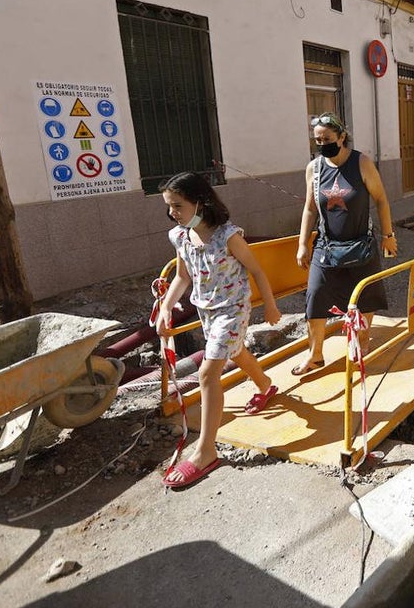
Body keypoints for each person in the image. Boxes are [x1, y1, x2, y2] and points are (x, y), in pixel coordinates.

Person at [156, 172, 282, 489]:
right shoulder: (181, 237)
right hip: (206, 309)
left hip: (233, 309)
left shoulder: (228, 236)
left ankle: (205, 450)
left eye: (178, 206)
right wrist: (167, 307)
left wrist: (269, 304)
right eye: (169, 206)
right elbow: (182, 277)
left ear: (201, 201)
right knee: (235, 352)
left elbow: (256, 270)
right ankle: (266, 385)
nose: (173, 212)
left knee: (208, 373)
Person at [295, 114, 397, 372]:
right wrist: (303, 244)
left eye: (327, 139)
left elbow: (381, 199)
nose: (322, 144)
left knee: (365, 297)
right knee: (315, 295)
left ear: (342, 137)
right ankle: (315, 354)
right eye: (317, 140)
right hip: (326, 246)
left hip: (361, 243)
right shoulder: (314, 169)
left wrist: (388, 235)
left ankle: (362, 343)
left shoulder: (361, 162)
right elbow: (309, 208)